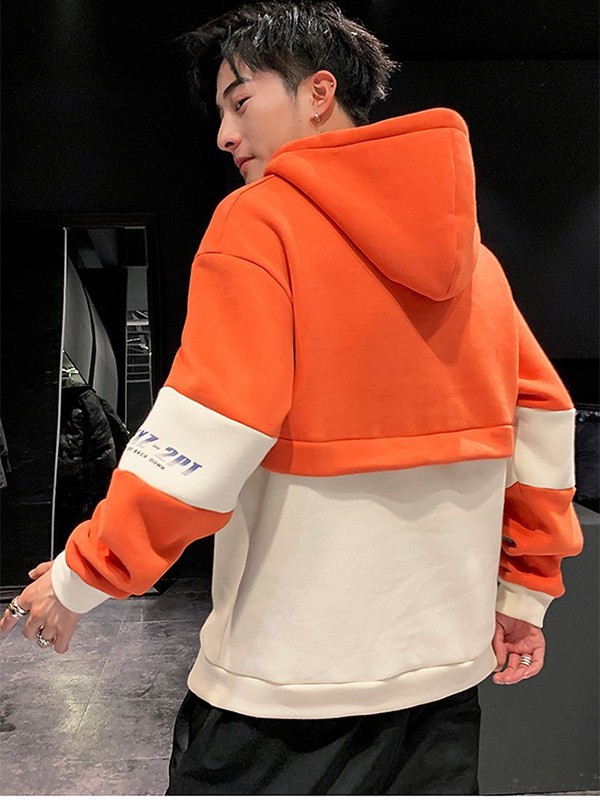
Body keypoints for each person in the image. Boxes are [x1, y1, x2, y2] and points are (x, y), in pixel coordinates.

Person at [0, 1, 583, 794]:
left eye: (241, 102)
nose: (224, 134)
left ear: (318, 92)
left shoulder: (258, 223)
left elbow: (202, 446)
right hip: (444, 687)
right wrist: (524, 594)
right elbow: (543, 427)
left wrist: (81, 576)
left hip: (286, 697)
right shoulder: (477, 265)